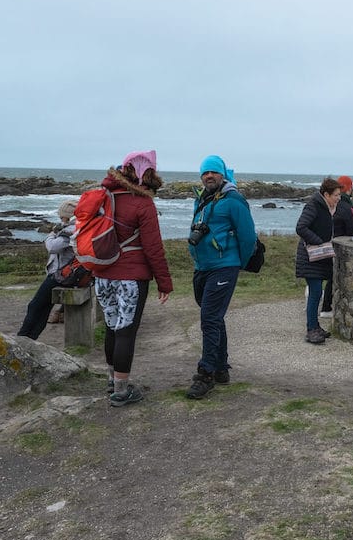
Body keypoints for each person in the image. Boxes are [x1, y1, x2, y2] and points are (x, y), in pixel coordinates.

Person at [91, 150, 173, 407]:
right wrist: (164, 282)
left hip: (102, 275)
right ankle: (121, 391)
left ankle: (111, 380)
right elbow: (153, 248)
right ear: (147, 173)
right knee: (126, 332)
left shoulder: (103, 197)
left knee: (112, 328)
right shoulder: (143, 203)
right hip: (130, 278)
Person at [186, 155, 258, 399]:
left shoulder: (234, 200)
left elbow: (248, 237)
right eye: (205, 173)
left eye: (213, 172)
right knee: (214, 317)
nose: (209, 176)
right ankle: (221, 368)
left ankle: (205, 373)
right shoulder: (203, 198)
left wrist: (237, 263)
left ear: (222, 174)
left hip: (224, 266)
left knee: (209, 318)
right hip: (203, 266)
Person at [17, 200, 79, 340]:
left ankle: (22, 337)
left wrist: (50, 235)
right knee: (44, 308)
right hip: (69, 274)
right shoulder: (77, 227)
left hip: (60, 276)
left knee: (34, 306)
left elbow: (53, 247)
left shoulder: (70, 230)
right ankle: (31, 337)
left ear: (66, 215)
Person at [296, 178, 343, 344]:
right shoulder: (314, 206)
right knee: (315, 292)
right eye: (336, 195)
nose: (339, 198)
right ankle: (311, 330)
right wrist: (319, 242)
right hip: (310, 256)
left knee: (316, 292)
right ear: (326, 194)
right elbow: (301, 227)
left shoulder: (326, 207)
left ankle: (315, 326)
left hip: (317, 257)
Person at [319, 175, 353, 317]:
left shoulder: (329, 205)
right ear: (349, 188)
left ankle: (320, 303)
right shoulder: (347, 206)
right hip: (338, 245)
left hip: (325, 242)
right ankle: (327, 307)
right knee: (332, 276)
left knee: (323, 275)